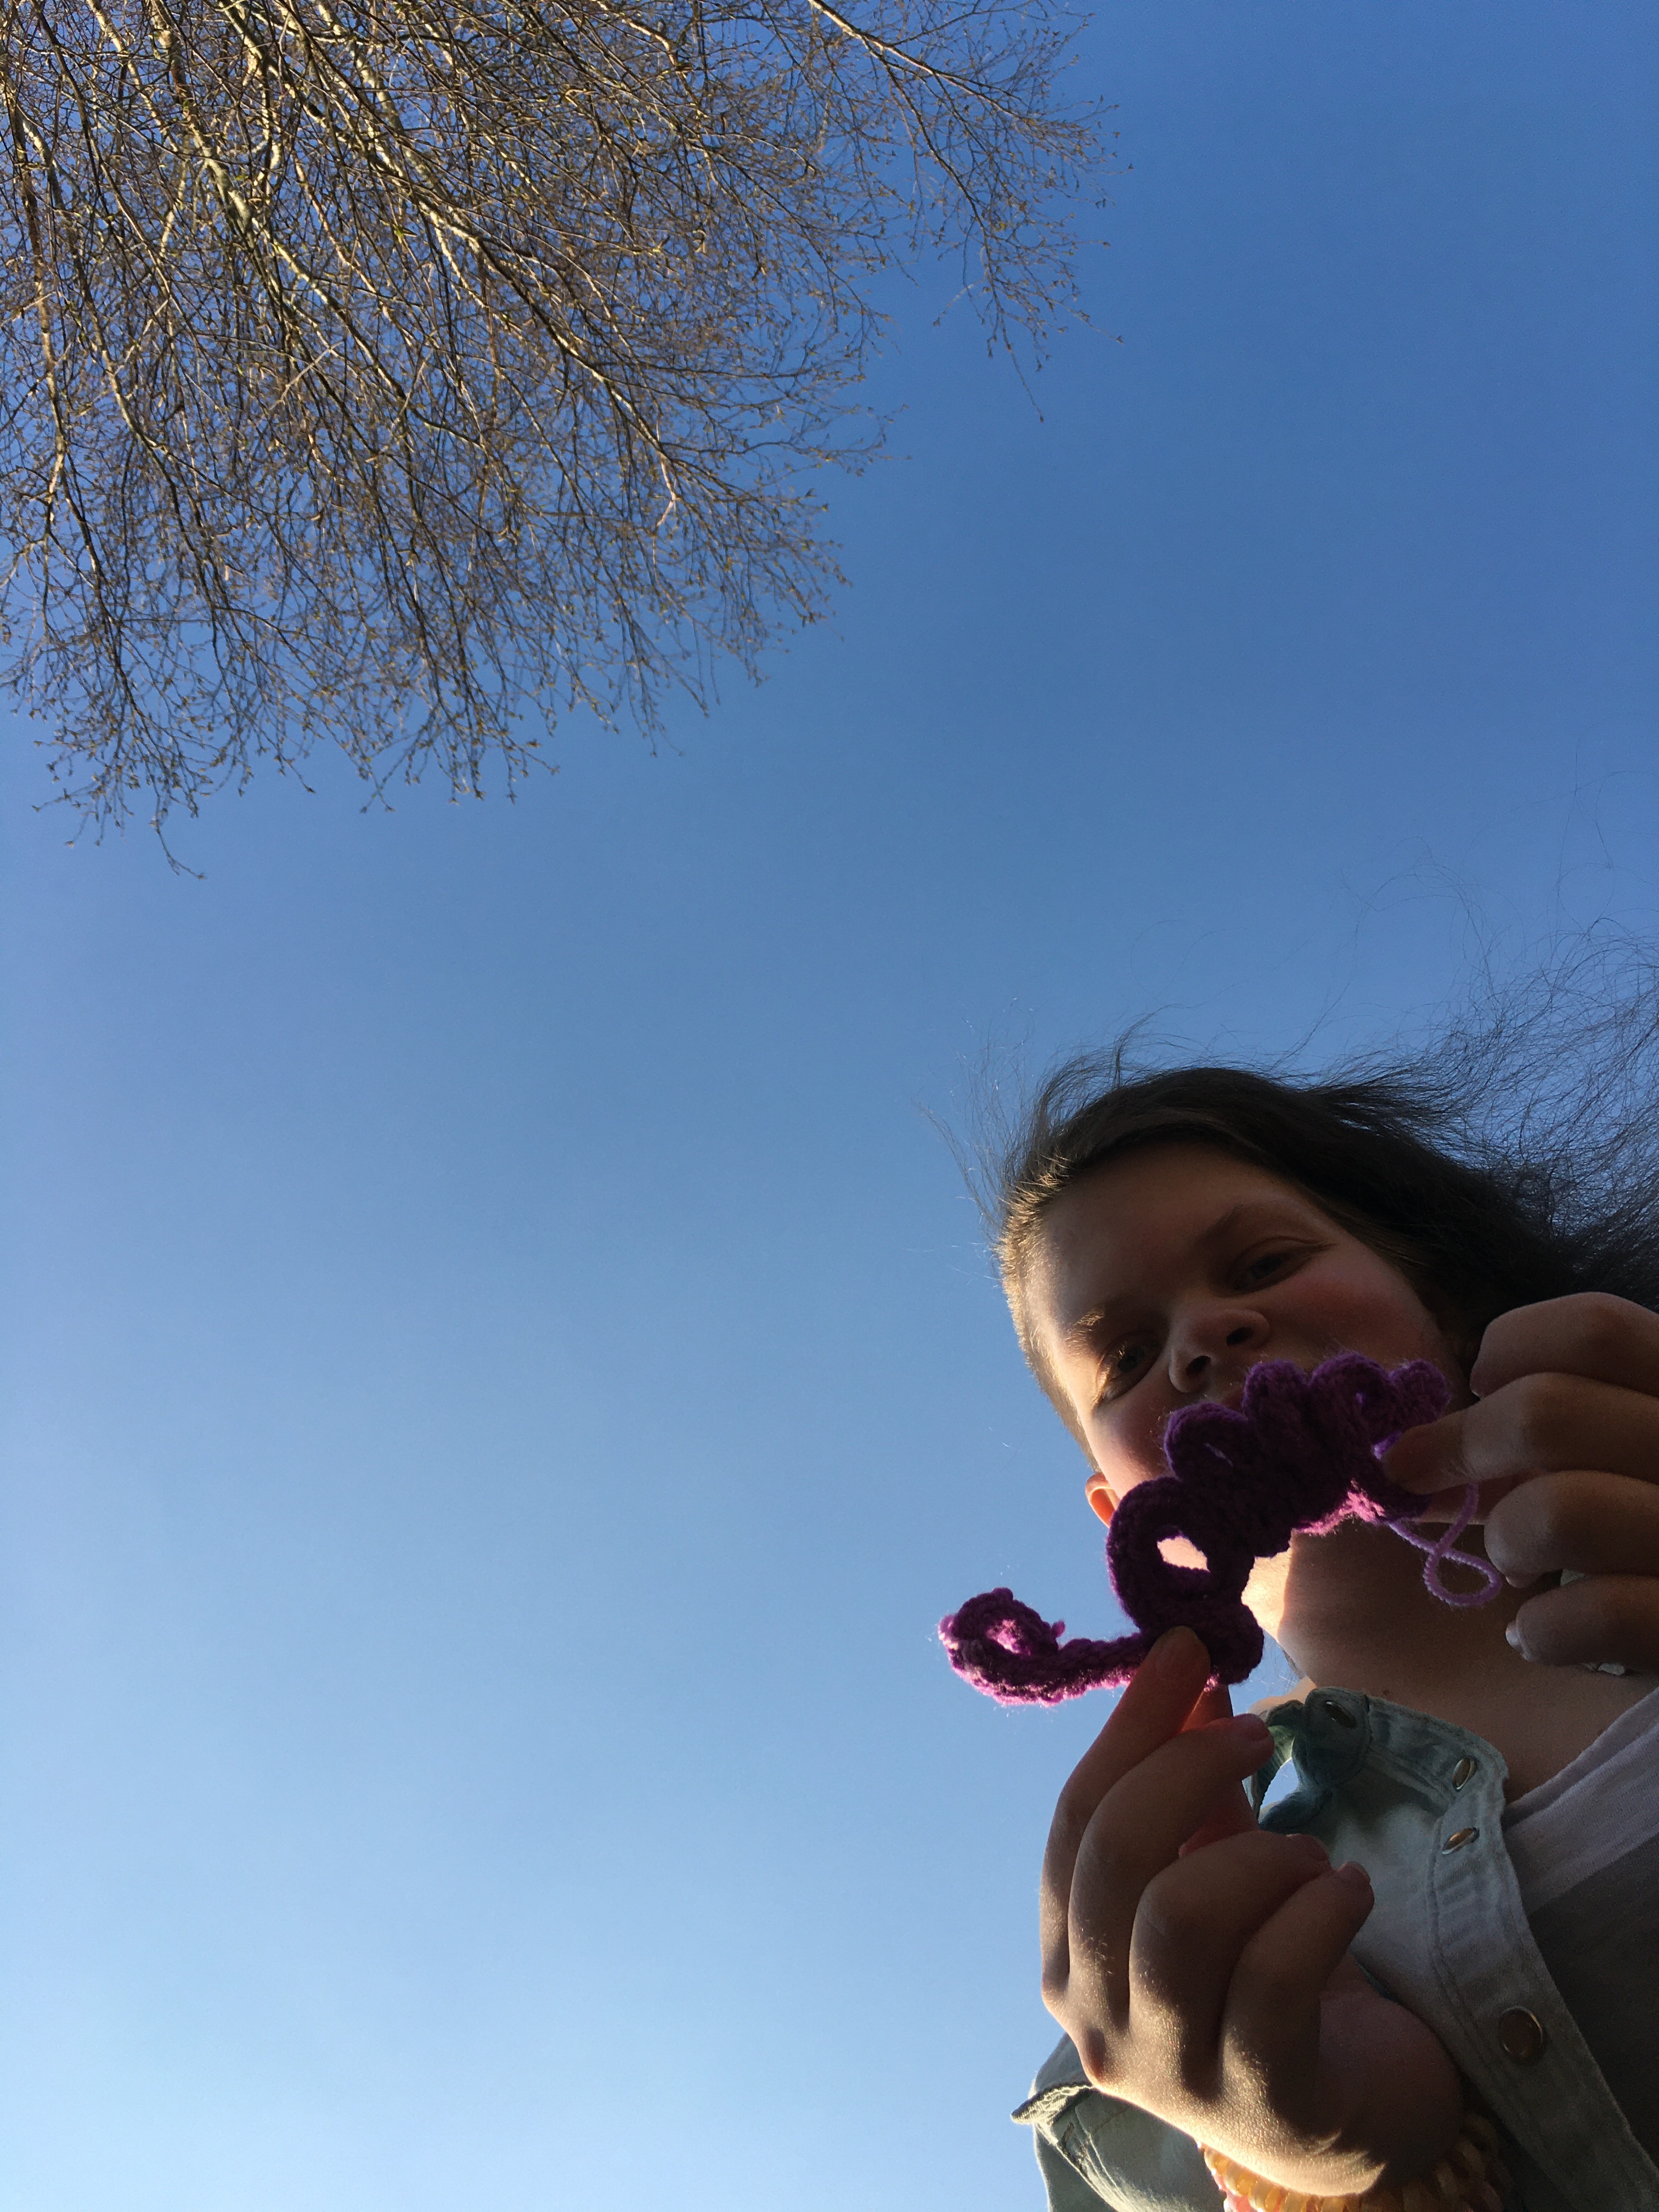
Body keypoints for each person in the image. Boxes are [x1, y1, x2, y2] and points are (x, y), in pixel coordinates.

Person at [972, 1044, 1659, 2212]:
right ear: (1120, 1516)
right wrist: (1318, 2168)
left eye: (1264, 1262)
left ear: (1440, 1305)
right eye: (1126, 1356)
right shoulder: (1165, 2016)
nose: (1204, 1337)